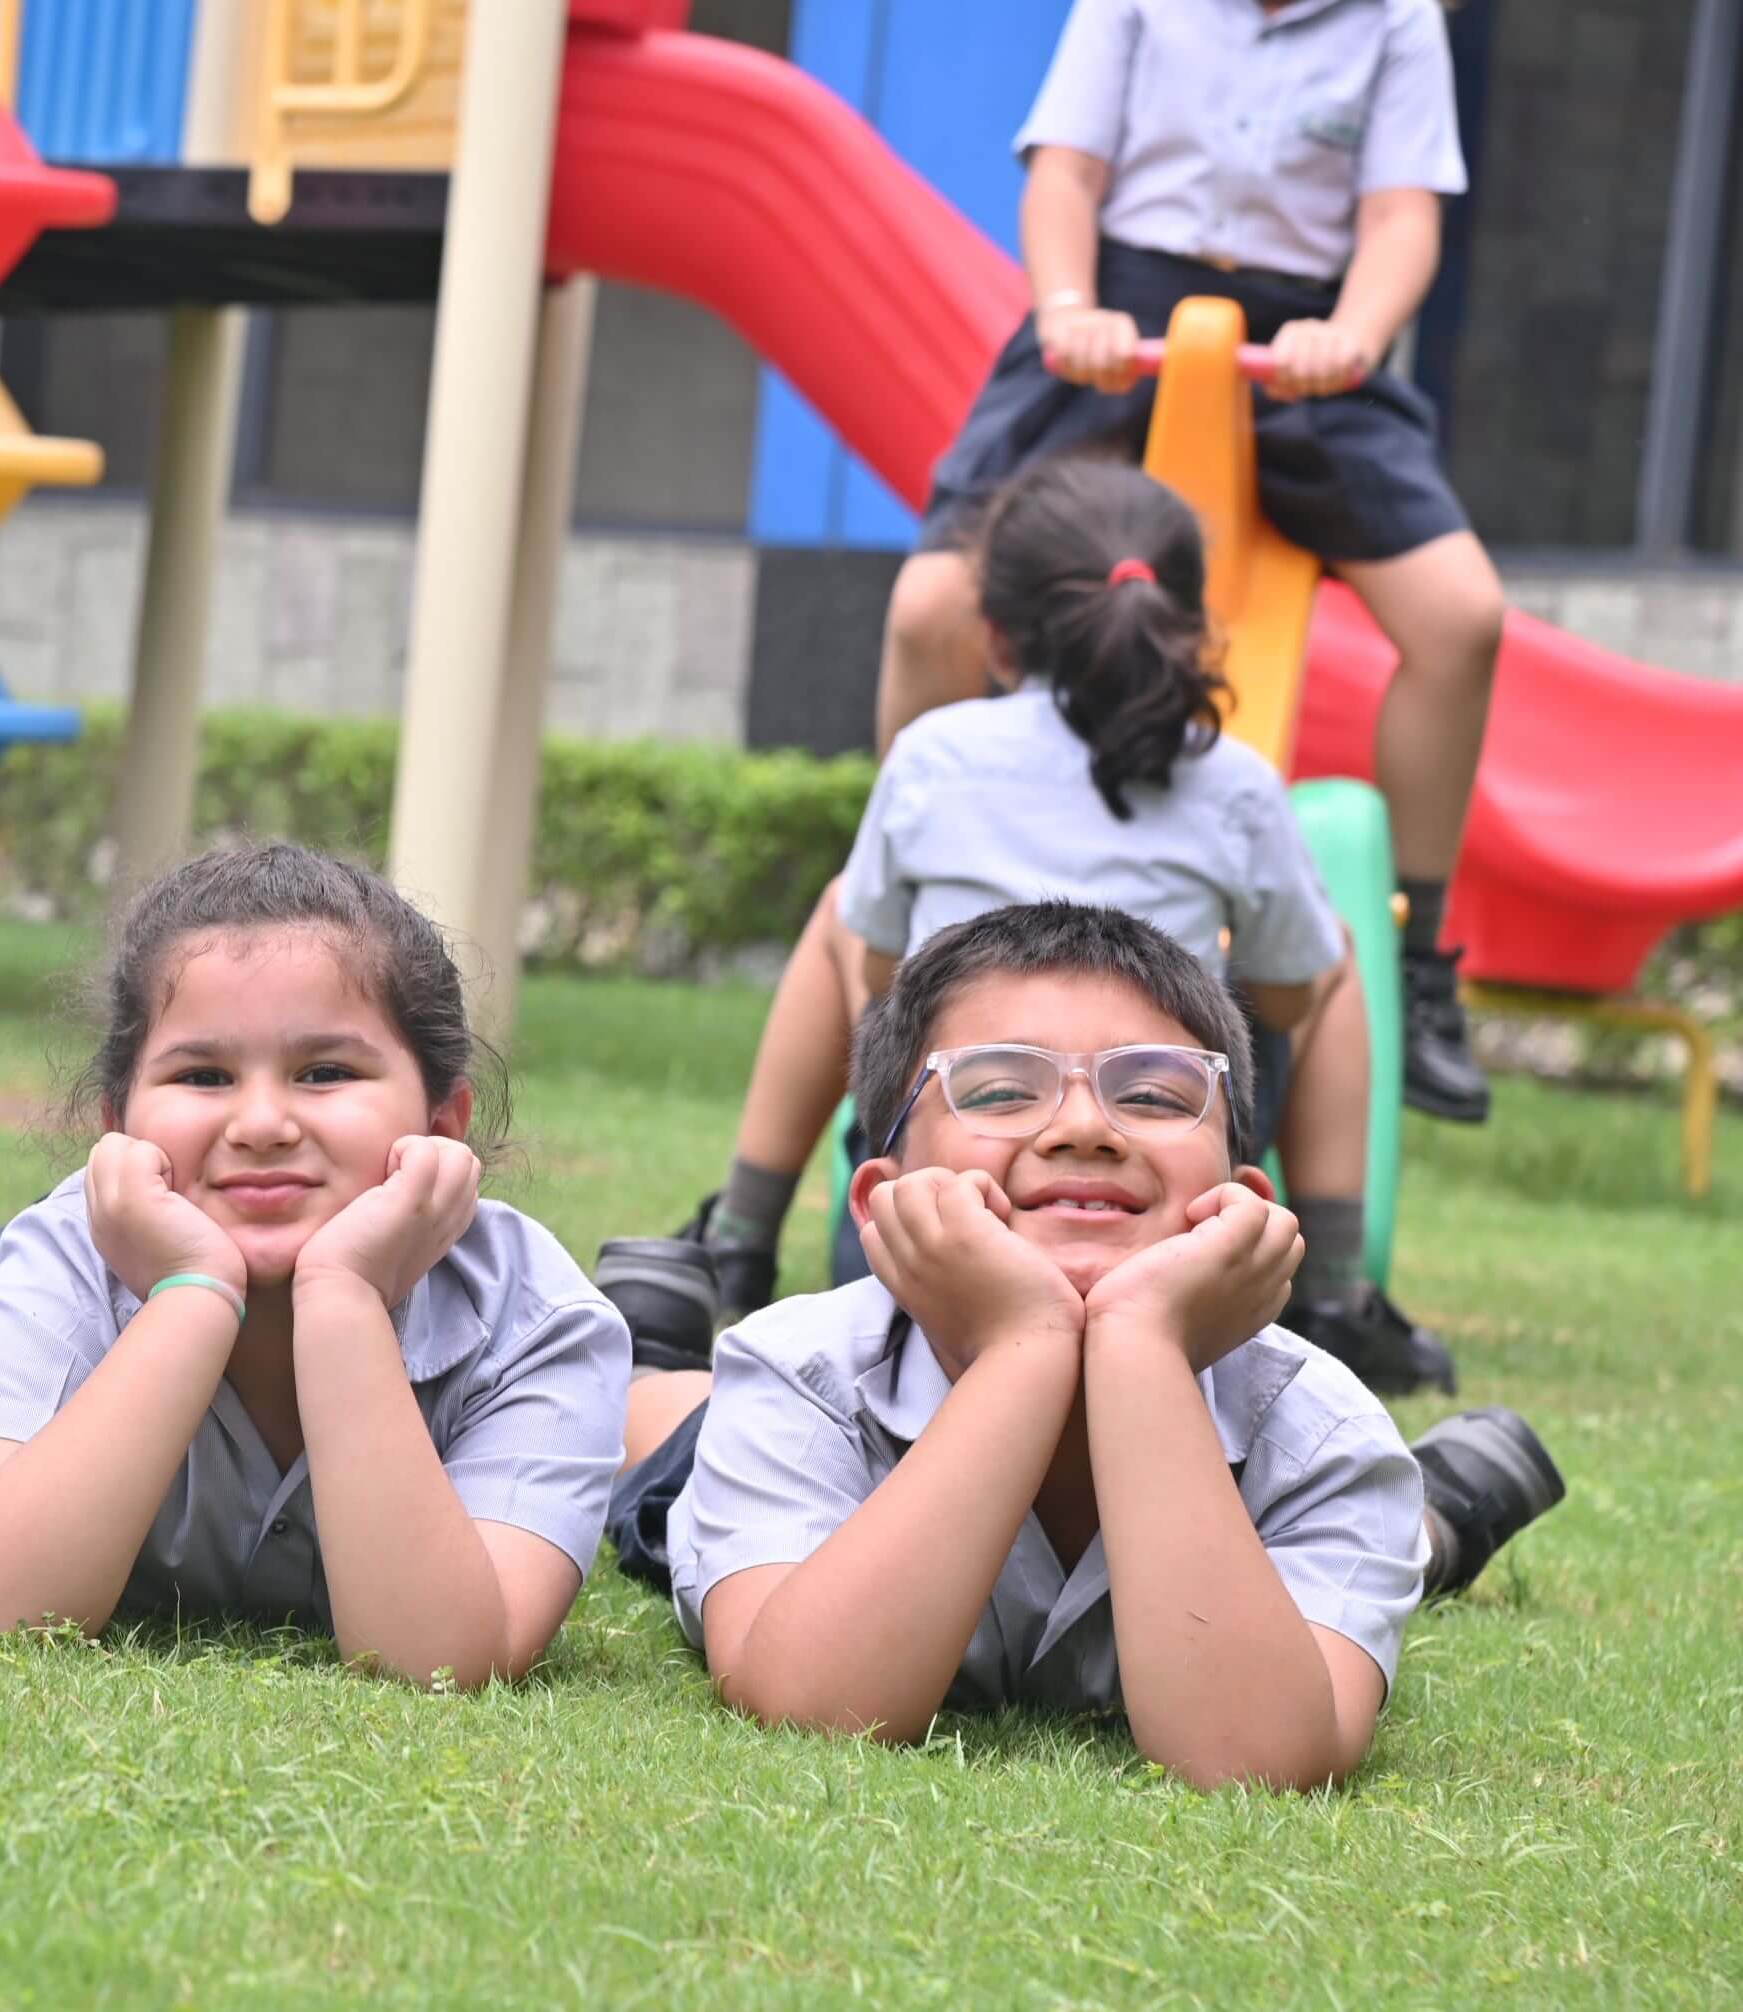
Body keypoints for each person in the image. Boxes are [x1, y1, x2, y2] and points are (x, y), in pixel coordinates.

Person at [611, 903, 1561, 1789]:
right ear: (881, 1202)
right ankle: (647, 1344)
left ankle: (1432, 1521)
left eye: (1152, 1095)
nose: (1082, 1129)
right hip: (764, 1448)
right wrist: (1026, 1345)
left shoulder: (1320, 1429)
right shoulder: (803, 1373)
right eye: (998, 1090)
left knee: (1382, 1536)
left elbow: (1258, 1755)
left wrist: (1141, 1342)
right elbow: (813, 1705)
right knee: (658, 1424)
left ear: (1241, 1206)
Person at [606, 457, 1449, 1393]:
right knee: (1326, 956)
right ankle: (1336, 1295)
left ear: (998, 638)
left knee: (847, 910)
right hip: (1159, 1230)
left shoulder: (933, 754)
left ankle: (737, 1239)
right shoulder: (1234, 781)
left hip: (929, 1232)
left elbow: (883, 976)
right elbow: (1287, 998)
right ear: (1187, 626)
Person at [879, 0, 1503, 1124]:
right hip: (1119, 320)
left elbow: (1401, 217)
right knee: (931, 606)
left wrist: (1353, 337)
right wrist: (1069, 308)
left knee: (1463, 618)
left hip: (1303, 342)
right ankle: (893, 914)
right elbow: (1066, 174)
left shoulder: (1395, 19)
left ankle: (1419, 960)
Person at [0, 842, 630, 1689]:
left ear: (443, 1122)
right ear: (119, 1127)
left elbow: (440, 1660)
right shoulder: (68, 1259)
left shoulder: (538, 1324)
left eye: (325, 1073)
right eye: (204, 1075)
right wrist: (192, 1293)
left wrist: (345, 1297)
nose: (262, 1124)